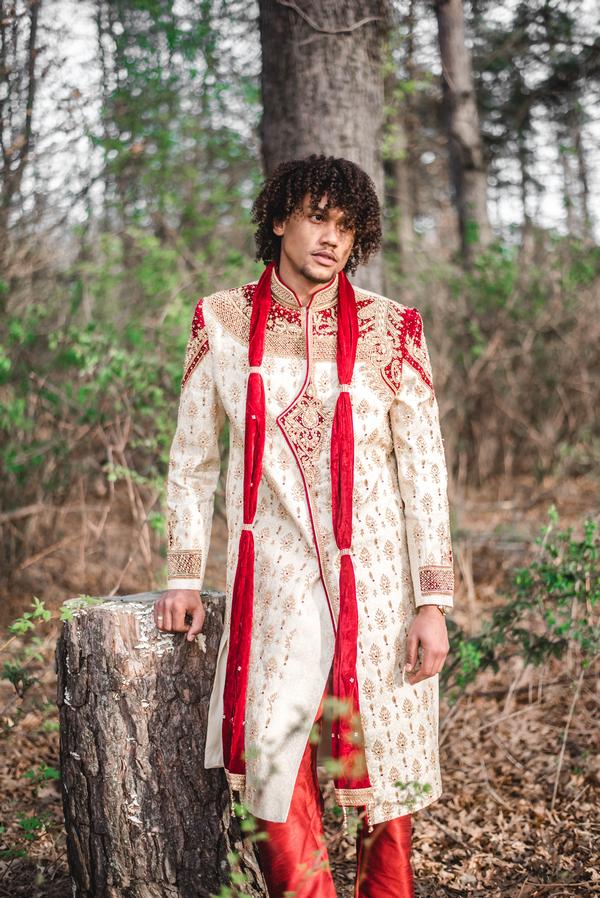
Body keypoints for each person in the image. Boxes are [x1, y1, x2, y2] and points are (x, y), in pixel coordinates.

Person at [153, 154, 454, 897]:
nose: (331, 239)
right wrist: (183, 575)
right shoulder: (221, 320)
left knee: (385, 779)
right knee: (274, 766)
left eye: (346, 228)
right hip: (275, 583)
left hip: (378, 582)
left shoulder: (392, 328)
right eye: (318, 219)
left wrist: (432, 602)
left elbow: (423, 473)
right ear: (280, 218)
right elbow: (192, 458)